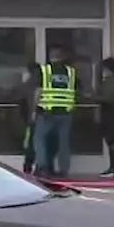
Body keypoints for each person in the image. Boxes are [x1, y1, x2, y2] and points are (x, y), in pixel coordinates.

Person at [33, 46, 80, 178]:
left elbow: (39, 91)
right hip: (65, 113)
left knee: (40, 139)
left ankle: (42, 166)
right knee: (63, 143)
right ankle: (64, 170)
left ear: (50, 56)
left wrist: (34, 109)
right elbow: (75, 91)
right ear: (63, 57)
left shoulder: (44, 70)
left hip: (48, 112)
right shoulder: (71, 72)